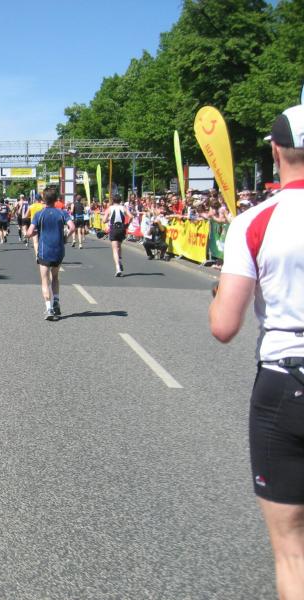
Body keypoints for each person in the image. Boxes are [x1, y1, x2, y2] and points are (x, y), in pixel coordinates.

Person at [209, 103, 304, 600]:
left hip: (287, 380)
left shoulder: (254, 221)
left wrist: (217, 296)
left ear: (274, 152)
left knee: (293, 552)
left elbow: (224, 326)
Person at [26, 188, 74, 321]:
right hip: (58, 250)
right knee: (55, 277)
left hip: (44, 250)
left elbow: (29, 232)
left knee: (45, 280)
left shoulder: (39, 214)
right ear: (56, 199)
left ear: (43, 200)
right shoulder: (62, 213)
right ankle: (56, 301)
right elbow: (72, 227)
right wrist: (66, 238)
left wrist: (34, 233)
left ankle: (49, 308)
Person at [103, 194, 132, 277]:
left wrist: (109, 219)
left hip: (114, 228)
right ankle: (120, 260)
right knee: (119, 246)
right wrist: (127, 225)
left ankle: (118, 268)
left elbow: (104, 220)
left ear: (113, 200)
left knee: (115, 249)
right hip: (122, 229)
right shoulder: (123, 208)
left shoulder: (110, 208)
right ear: (120, 200)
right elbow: (131, 216)